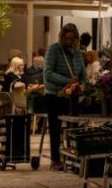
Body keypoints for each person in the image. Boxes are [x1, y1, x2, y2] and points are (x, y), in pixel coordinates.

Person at [43, 24, 84, 171]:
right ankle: (55, 159)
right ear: (61, 37)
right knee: (55, 128)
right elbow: (47, 73)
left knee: (74, 127)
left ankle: (73, 158)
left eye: (72, 39)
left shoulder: (78, 53)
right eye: (67, 38)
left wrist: (82, 84)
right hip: (54, 95)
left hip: (73, 95)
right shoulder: (53, 50)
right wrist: (67, 81)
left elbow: (82, 74)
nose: (69, 42)